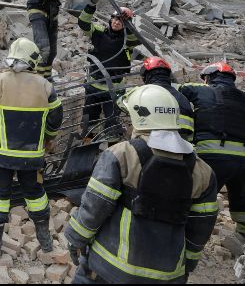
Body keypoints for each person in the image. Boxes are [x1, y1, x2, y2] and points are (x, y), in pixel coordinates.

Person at [65, 84, 218, 284]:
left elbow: (94, 207)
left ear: (140, 118)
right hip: (167, 275)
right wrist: (186, 265)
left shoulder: (121, 155)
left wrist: (75, 239)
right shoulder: (203, 172)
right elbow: (200, 229)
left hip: (109, 268)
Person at [0, 38, 63, 257]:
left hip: (1, 156)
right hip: (32, 157)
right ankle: (45, 240)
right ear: (33, 61)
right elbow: (56, 119)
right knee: (36, 195)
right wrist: (47, 138)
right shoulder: (46, 86)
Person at [179, 62, 245, 241]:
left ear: (209, 77)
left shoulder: (202, 90)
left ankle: (191, 235)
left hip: (214, 156)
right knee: (240, 191)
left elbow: (176, 90)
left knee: (202, 193)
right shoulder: (244, 99)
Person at [77, 0, 139, 138]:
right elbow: (83, 23)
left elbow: (135, 38)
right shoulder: (99, 32)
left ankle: (113, 148)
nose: (117, 22)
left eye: (121, 21)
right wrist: (91, 4)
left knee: (112, 125)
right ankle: (88, 144)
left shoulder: (127, 41)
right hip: (93, 86)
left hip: (114, 91)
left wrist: (129, 24)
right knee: (88, 121)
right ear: (111, 19)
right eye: (115, 19)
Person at [140, 56, 195, 140]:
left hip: (156, 143)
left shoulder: (145, 95)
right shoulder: (183, 98)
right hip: (184, 144)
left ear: (146, 76)